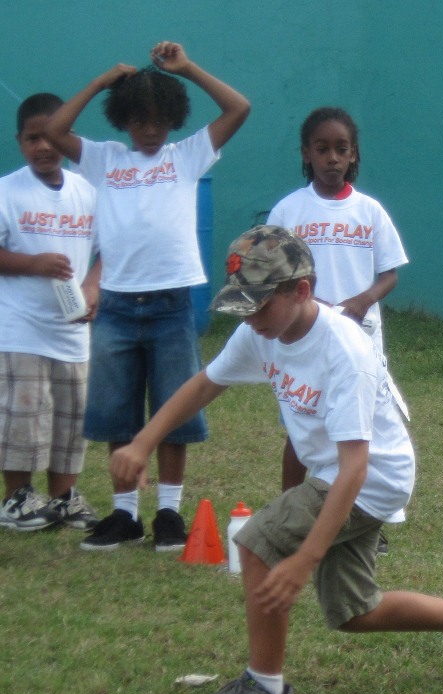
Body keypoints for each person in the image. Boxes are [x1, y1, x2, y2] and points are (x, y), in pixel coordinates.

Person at [109, 225, 443, 694]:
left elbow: (354, 467)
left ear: (301, 291)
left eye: (260, 304)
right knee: (354, 611)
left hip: (369, 476)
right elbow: (204, 385)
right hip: (341, 474)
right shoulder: (261, 331)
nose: (250, 318)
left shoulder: (343, 351)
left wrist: (305, 555)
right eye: (242, 305)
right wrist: (143, 441)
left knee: (258, 539)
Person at [44, 41, 250, 552]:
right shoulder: (104, 159)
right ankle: (125, 515)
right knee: (118, 413)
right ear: (123, 120)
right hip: (115, 305)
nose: (151, 130)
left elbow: (238, 107)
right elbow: (53, 130)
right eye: (139, 120)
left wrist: (187, 68)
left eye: (159, 120)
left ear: (173, 120)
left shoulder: (186, 156)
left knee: (173, 411)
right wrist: (100, 81)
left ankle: (168, 514)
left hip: (171, 305)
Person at [267, 107, 409, 554]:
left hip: (359, 339)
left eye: (341, 150)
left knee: (357, 431)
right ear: (306, 154)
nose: (332, 158)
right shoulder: (289, 209)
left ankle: (366, 522)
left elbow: (390, 273)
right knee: (302, 425)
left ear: (353, 156)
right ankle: (287, 513)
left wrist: (361, 301)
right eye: (322, 149)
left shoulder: (369, 211)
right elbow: (272, 269)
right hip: (306, 337)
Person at [0, 93, 100, 532]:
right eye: (32, 138)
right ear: (19, 141)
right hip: (20, 327)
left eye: (51, 136)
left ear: (69, 137)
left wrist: (93, 287)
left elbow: (106, 250)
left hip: (72, 330)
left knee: (71, 413)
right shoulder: (7, 191)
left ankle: (63, 497)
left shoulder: (87, 191)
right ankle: (17, 498)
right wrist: (32, 264)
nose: (43, 147)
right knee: (24, 412)